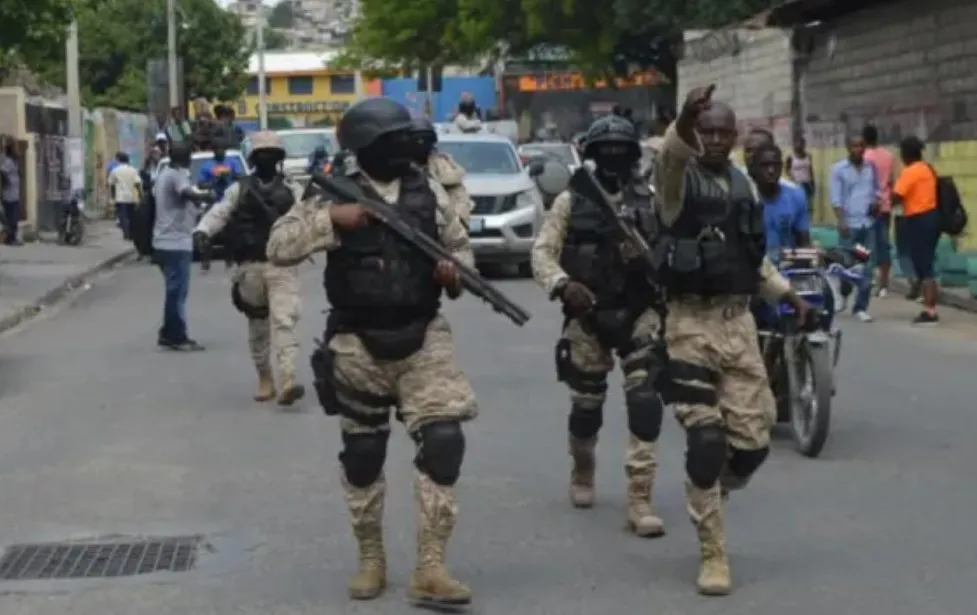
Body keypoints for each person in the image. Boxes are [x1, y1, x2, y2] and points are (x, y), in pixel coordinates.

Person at [266, 97, 477, 607]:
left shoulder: (428, 190)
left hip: (423, 335)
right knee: (363, 455)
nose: (404, 148)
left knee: (444, 441)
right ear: (367, 146)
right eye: (393, 140)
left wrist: (455, 273)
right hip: (357, 342)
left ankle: (430, 567)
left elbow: (460, 246)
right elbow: (279, 246)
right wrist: (332, 220)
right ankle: (371, 558)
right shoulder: (331, 192)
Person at [652, 85, 811, 596]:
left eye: (724, 132)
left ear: (736, 137)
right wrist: (684, 119)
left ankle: (711, 489)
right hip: (689, 324)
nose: (716, 140)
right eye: (707, 131)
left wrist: (788, 295)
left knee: (752, 445)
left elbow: (750, 258)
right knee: (705, 439)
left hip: (738, 323)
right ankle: (713, 553)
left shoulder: (743, 186)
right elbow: (673, 154)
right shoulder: (676, 181)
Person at [531, 114, 667, 537]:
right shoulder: (571, 200)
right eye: (604, 150)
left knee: (644, 401)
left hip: (639, 310)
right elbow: (542, 253)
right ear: (591, 154)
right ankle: (583, 470)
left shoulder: (651, 198)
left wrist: (652, 261)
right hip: (588, 314)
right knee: (586, 407)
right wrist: (562, 284)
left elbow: (670, 246)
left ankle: (640, 498)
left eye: (620, 150)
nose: (613, 156)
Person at [193, 131, 306, 405]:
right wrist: (203, 230)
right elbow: (220, 212)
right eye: (261, 155)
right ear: (253, 159)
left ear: (278, 159)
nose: (266, 159)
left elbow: (308, 217)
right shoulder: (240, 189)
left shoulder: (292, 188)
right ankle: (265, 377)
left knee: (284, 321)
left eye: (271, 155)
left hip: (282, 265)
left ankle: (288, 378)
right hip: (250, 266)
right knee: (258, 325)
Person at [152, 141, 212, 350]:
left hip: (167, 242)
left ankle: (168, 332)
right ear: (185, 158)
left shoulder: (166, 174)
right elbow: (187, 193)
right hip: (174, 243)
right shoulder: (175, 175)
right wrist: (205, 196)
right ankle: (176, 336)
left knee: (175, 291)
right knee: (177, 293)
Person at [829, 134, 879, 322]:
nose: (858, 149)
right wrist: (841, 220)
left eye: (861, 145)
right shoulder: (839, 169)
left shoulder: (870, 167)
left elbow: (875, 191)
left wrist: (876, 202)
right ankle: (843, 295)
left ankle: (860, 307)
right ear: (848, 147)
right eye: (854, 145)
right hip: (849, 225)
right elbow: (836, 198)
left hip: (867, 224)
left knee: (867, 266)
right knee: (846, 265)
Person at [892, 136, 940, 325]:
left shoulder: (910, 172)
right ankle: (929, 306)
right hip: (931, 217)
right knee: (926, 264)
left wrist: (881, 203)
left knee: (924, 266)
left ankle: (930, 311)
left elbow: (897, 196)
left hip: (919, 219)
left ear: (907, 153)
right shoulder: (927, 169)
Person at [749, 142, 810, 260]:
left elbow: (804, 241)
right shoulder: (747, 198)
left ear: (781, 167)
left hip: (788, 265)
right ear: (754, 168)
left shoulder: (796, 196)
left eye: (775, 165)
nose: (771, 170)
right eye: (764, 165)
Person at [408, 117, 473, 226]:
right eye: (416, 139)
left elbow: (461, 199)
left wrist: (457, 222)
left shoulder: (443, 166)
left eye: (425, 138)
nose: (420, 142)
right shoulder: (401, 167)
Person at [862, 124, 896, 297]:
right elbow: (892, 182)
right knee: (884, 245)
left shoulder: (864, 157)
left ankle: (867, 280)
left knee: (866, 246)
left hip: (868, 207)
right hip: (885, 206)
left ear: (864, 139)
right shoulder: (889, 156)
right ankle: (884, 285)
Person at [108, 152, 143, 240]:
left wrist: (113, 195)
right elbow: (137, 183)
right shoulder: (133, 170)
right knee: (131, 216)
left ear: (118, 160)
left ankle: (127, 233)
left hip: (121, 197)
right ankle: (131, 233)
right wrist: (140, 195)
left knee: (122, 216)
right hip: (132, 197)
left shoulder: (115, 171)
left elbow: (112, 184)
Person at [785, 136, 815, 212]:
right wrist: (792, 178)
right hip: (796, 184)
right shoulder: (790, 157)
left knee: (808, 206)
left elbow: (810, 169)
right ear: (794, 145)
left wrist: (812, 183)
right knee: (796, 206)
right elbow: (787, 169)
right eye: (797, 143)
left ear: (804, 145)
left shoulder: (808, 156)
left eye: (801, 143)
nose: (799, 145)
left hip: (807, 184)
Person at [0, 144, 21, 245]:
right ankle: (11, 239)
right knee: (11, 218)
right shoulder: (8, 161)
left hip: (14, 194)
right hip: (9, 195)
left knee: (14, 218)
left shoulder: (14, 161)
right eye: (15, 148)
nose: (17, 150)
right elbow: (2, 171)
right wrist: (7, 182)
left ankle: (12, 238)